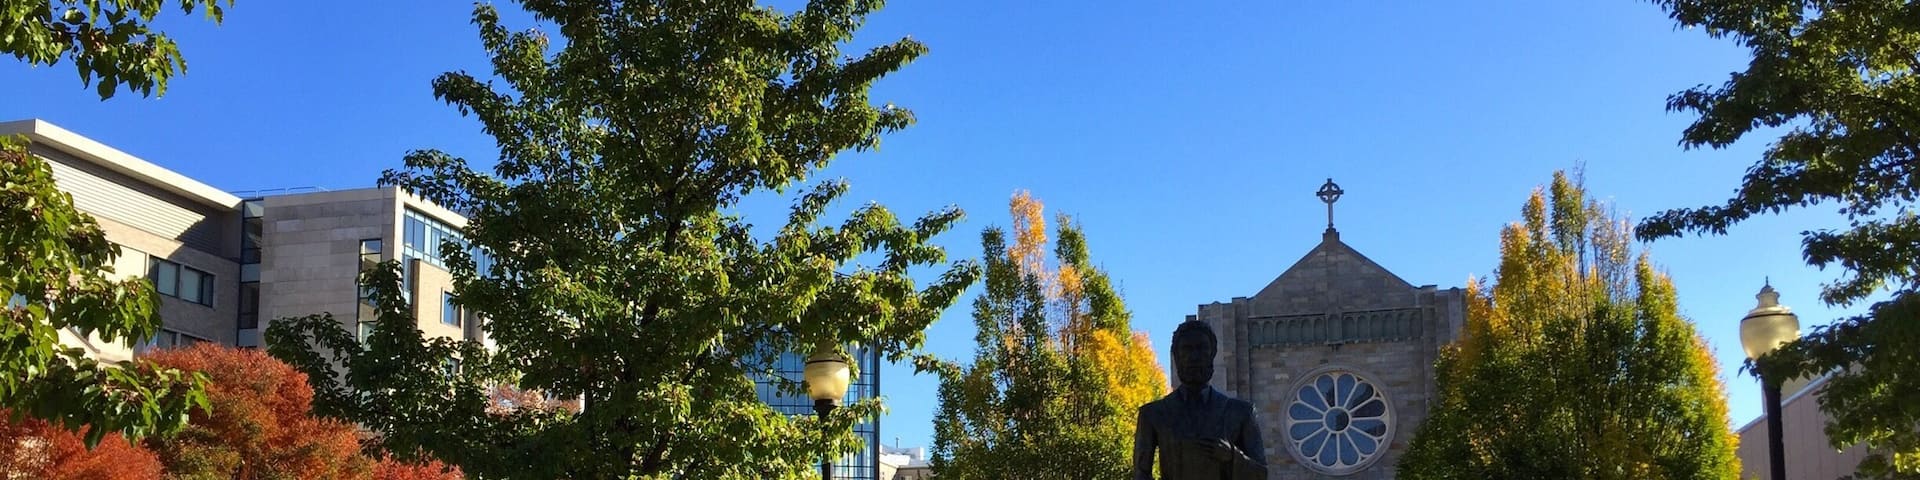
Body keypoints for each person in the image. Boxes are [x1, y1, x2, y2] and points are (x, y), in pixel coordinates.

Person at [1132, 321, 1267, 480]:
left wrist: (1232, 456)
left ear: (1212, 354)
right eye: (1187, 349)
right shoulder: (1154, 414)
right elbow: (1141, 474)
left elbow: (1261, 474)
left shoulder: (1240, 412)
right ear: (1176, 356)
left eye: (1202, 348)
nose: (1194, 357)